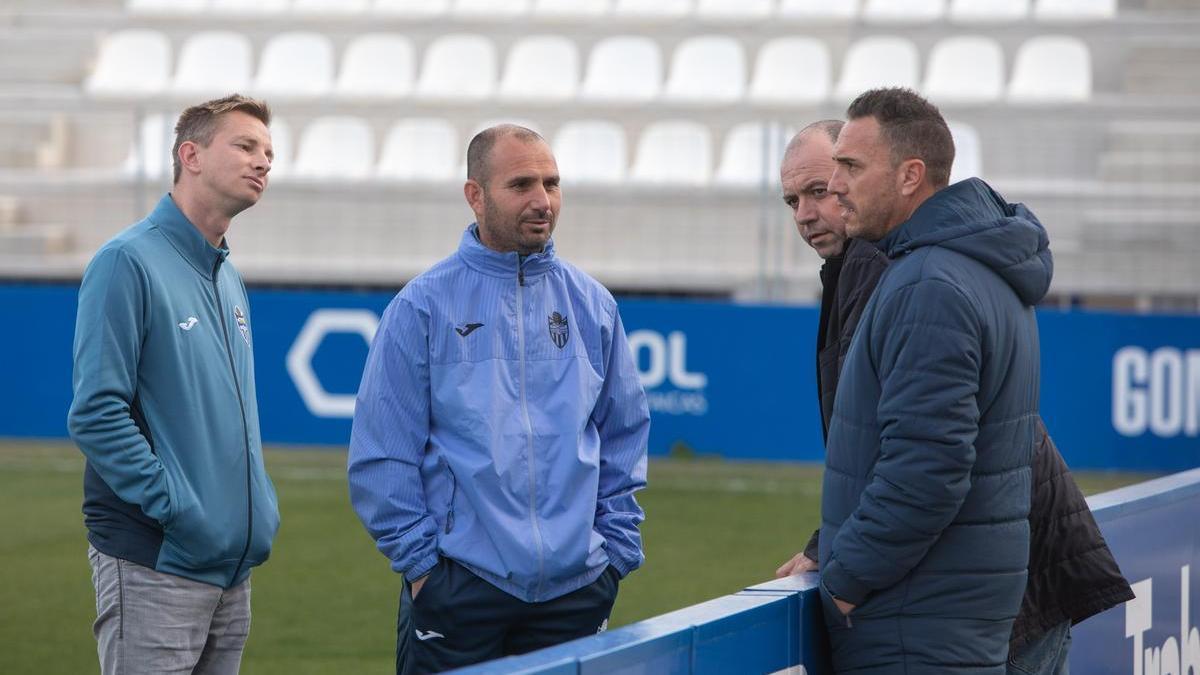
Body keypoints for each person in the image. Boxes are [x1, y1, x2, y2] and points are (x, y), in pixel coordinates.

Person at [774, 118, 1133, 674]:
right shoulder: (921, 260)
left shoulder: (898, 268)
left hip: (975, 592)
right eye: (793, 199)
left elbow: (923, 459)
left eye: (823, 187)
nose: (808, 211)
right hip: (1003, 576)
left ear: (897, 176)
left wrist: (842, 572)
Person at [348, 124, 650, 674]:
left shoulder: (593, 305)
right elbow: (382, 454)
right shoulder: (421, 306)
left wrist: (615, 553)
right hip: (460, 587)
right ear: (475, 195)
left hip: (577, 590)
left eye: (552, 183)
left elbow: (624, 435)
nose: (543, 201)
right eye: (521, 185)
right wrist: (423, 570)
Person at [814, 87, 1051, 674]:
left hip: (916, 623)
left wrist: (845, 579)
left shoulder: (931, 285)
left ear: (909, 176)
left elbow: (927, 470)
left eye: (850, 166)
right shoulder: (971, 267)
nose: (834, 184)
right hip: (948, 614)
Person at [67, 94, 280, 675]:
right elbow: (95, 412)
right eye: (245, 146)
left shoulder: (228, 274)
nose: (263, 162)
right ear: (191, 154)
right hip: (157, 560)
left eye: (268, 152)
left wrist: (253, 508)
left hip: (231, 572)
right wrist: (177, 508)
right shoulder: (126, 261)